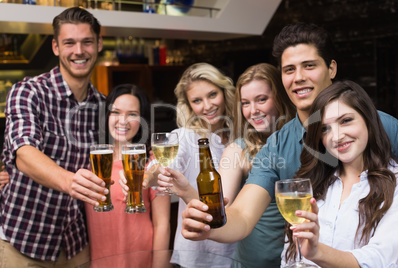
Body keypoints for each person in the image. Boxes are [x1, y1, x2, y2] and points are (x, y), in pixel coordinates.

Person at [180, 23, 398, 262]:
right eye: (289, 70)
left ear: (331, 68)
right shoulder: (276, 145)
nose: (298, 78)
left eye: (309, 66)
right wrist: (208, 225)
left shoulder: (385, 127)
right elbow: (243, 216)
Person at [157, 63, 295, 267]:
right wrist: (184, 189)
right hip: (252, 261)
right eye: (246, 103)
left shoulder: (301, 139)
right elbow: (221, 208)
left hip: (299, 259)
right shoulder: (236, 149)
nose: (253, 110)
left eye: (262, 99)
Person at [0, 7, 108, 266]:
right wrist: (69, 181)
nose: (79, 51)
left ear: (99, 44)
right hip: (24, 241)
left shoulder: (105, 106)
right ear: (56, 47)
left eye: (87, 42)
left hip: (77, 244)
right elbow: (24, 153)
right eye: (69, 43)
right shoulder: (28, 92)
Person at [121, 62, 237, 267]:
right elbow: (160, 166)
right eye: (197, 100)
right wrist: (146, 178)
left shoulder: (239, 137)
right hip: (198, 255)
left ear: (224, 92)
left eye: (212, 95)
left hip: (237, 249)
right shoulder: (184, 137)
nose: (207, 106)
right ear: (189, 105)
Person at [281, 80, 398, 267]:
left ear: (368, 120)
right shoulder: (313, 183)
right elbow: (290, 258)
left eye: (345, 121)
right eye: (325, 129)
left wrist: (316, 252)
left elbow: (380, 260)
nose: (336, 137)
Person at [84, 84, 171, 266]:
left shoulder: (152, 160)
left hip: (140, 261)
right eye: (115, 112)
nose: (122, 121)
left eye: (132, 114)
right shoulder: (92, 160)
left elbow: (162, 225)